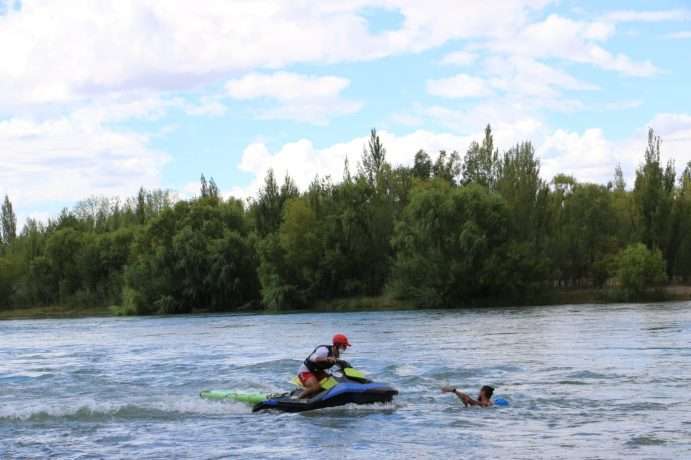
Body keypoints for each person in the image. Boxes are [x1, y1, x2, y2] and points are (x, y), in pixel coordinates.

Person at [296, 334, 351, 399]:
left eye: (345, 346)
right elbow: (312, 358)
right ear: (337, 345)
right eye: (344, 346)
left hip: (317, 371)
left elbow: (337, 363)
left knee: (332, 381)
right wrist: (327, 359)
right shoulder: (324, 350)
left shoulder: (336, 354)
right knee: (315, 387)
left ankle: (316, 396)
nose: (345, 348)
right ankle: (297, 399)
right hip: (306, 371)